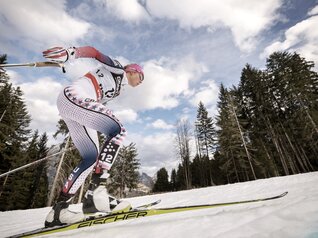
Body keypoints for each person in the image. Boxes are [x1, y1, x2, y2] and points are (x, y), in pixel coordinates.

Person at [42, 46, 144, 227]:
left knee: (91, 158)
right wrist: (71, 53)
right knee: (118, 130)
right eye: (141, 76)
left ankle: (58, 211)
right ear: (132, 70)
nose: (141, 82)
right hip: (74, 97)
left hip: (73, 106)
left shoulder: (118, 87)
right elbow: (94, 53)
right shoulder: (119, 69)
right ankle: (96, 194)